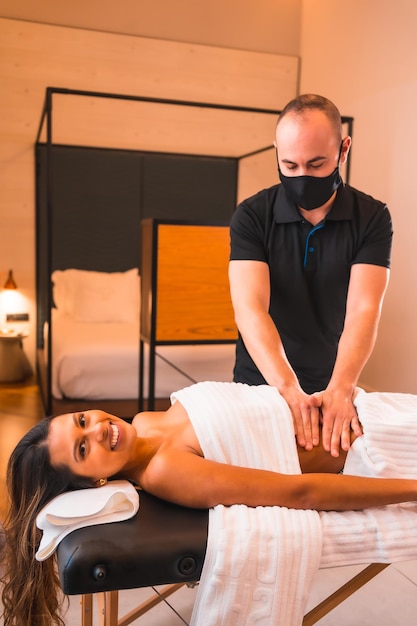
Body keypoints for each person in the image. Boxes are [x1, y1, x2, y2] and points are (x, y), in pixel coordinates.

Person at [2, 381, 417, 626]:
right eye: (82, 448)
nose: (97, 429)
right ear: (95, 479)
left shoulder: (146, 422)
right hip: (382, 449)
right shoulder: (165, 471)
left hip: (374, 410)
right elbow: (301, 493)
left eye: (81, 421)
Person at [229, 94, 392, 459]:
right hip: (263, 382)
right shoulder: (253, 216)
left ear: (343, 149)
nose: (302, 177)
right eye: (289, 164)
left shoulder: (372, 218)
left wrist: (341, 388)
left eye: (316, 164)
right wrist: (286, 388)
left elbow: (364, 310)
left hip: (334, 382)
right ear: (276, 152)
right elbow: (250, 308)